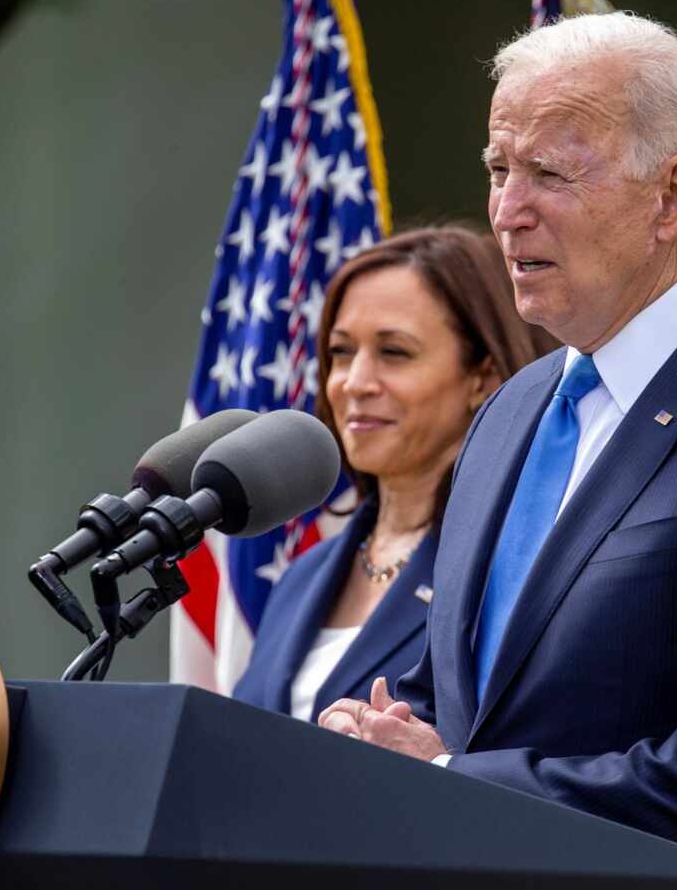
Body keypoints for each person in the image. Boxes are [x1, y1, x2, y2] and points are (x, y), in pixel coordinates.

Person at [319, 13, 677, 890]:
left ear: (671, 196)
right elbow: (464, 694)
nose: (506, 211)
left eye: (550, 172)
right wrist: (374, 740)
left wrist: (455, 783)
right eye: (501, 169)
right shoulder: (511, 411)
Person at [233, 226, 555, 724]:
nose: (355, 383)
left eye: (394, 353)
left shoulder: (514, 565)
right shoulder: (303, 576)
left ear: (482, 377)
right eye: (341, 352)